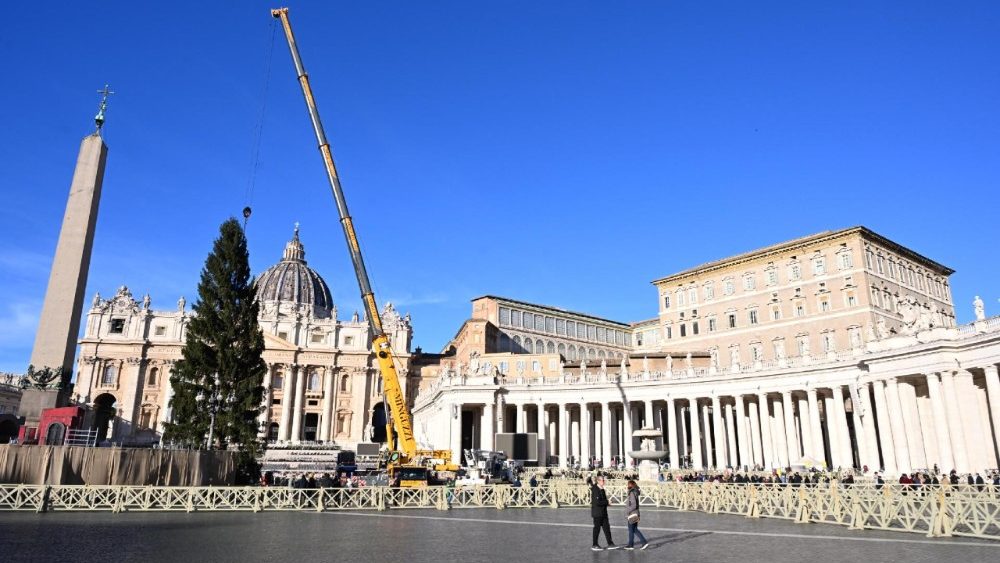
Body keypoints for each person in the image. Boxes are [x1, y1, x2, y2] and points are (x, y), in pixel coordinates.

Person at [589, 475, 619, 551]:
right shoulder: (595, 489)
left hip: (603, 512)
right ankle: (594, 544)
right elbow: (597, 502)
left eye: (604, 480)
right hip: (597, 513)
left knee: (607, 528)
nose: (604, 481)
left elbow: (603, 500)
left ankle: (610, 543)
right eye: (603, 480)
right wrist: (607, 502)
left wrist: (607, 503)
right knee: (597, 529)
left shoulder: (602, 489)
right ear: (598, 481)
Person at [624, 480, 649, 550]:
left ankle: (630, 545)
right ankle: (644, 542)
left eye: (628, 484)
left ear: (630, 485)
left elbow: (634, 505)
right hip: (636, 513)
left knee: (631, 530)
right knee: (635, 529)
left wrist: (628, 511)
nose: (627, 486)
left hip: (632, 514)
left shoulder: (632, 493)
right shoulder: (635, 492)